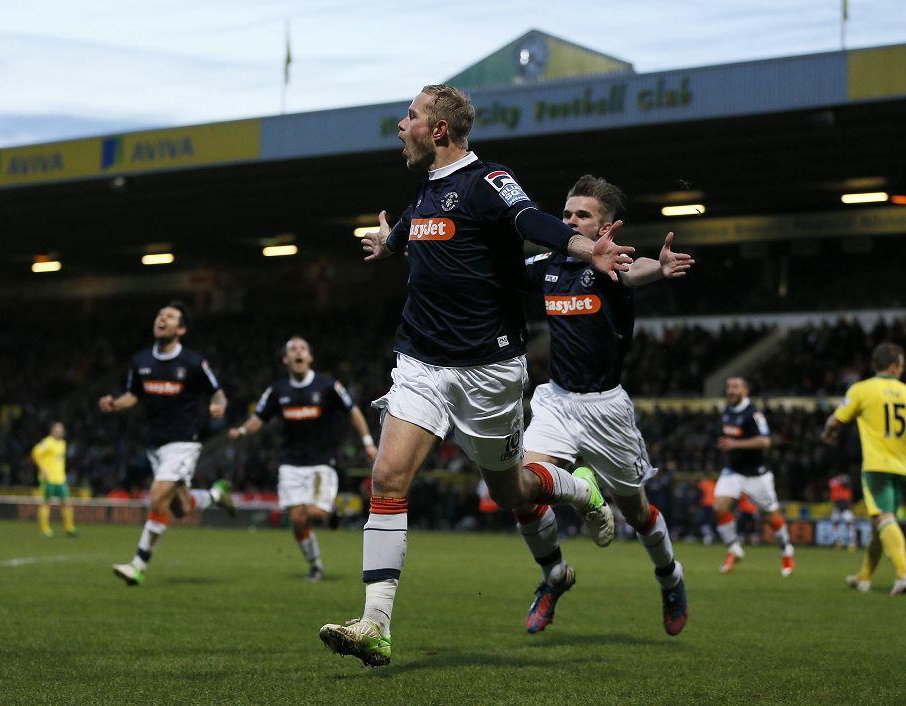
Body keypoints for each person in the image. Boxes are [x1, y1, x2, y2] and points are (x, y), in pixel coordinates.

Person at [318, 84, 634, 667]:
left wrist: (582, 246)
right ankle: (375, 625)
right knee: (387, 478)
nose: (400, 123)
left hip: (488, 368)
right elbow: (411, 229)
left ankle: (575, 486)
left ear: (438, 130)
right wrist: (386, 241)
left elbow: (531, 218)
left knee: (510, 490)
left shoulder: (488, 180)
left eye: (409, 115)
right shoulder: (424, 191)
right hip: (421, 361)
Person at [516, 174, 693, 636]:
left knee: (637, 513)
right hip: (555, 400)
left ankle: (670, 577)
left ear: (607, 226)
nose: (570, 220)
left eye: (583, 215)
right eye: (567, 213)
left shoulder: (612, 264)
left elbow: (634, 272)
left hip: (606, 410)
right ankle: (554, 575)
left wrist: (660, 267)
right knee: (521, 491)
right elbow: (495, 270)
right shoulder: (550, 264)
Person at [99, 301, 235, 586]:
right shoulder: (141, 361)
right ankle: (214, 495)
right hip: (154, 444)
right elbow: (133, 395)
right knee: (180, 508)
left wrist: (218, 406)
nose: (162, 318)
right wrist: (115, 403)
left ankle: (138, 565)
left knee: (158, 494)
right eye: (160, 314)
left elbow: (218, 393)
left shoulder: (194, 363)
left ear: (181, 328)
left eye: (170, 316)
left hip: (184, 441)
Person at [228, 336, 378, 581]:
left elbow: (353, 412)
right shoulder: (278, 390)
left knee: (316, 513)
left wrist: (368, 443)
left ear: (309, 357)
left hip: (321, 462)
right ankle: (315, 565)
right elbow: (259, 418)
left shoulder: (327, 386)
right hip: (290, 463)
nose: (298, 352)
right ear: (286, 359)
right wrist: (242, 431)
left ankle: (331, 514)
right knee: (297, 518)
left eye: (302, 348)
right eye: (292, 349)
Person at [822, 342, 906, 596]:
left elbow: (836, 420)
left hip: (875, 467)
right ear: (894, 365)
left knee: (883, 519)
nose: (904, 368)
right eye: (903, 363)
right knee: (881, 524)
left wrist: (827, 433)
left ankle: (903, 574)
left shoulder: (862, 389)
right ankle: (864, 578)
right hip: (902, 468)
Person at [713, 377, 795, 576]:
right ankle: (734, 549)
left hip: (756, 474)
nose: (731, 391)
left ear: (745, 391)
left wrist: (735, 445)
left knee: (770, 516)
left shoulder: (753, 414)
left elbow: (765, 441)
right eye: (729, 387)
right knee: (719, 507)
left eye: (736, 387)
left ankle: (786, 550)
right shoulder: (726, 412)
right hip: (733, 471)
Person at [31, 421, 76, 537]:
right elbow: (35, 453)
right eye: (56, 430)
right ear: (52, 431)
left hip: (61, 479)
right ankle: (45, 530)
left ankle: (69, 528)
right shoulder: (47, 442)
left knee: (67, 503)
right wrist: (43, 469)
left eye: (60, 430)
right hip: (48, 479)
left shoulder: (62, 444)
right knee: (46, 503)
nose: (59, 432)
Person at [828, 473, 857, 549]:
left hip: (845, 508)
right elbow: (831, 482)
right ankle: (837, 541)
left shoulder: (848, 489)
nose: (846, 484)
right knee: (835, 524)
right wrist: (840, 478)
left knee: (850, 524)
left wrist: (842, 479)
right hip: (837, 508)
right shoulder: (837, 486)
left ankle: (852, 542)